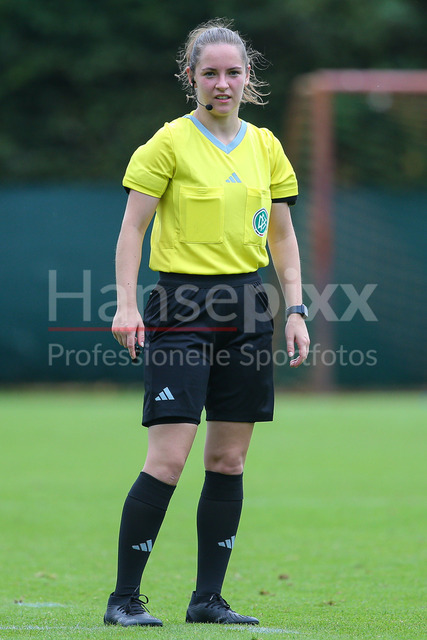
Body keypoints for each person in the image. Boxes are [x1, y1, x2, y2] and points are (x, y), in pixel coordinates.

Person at [104, 18, 309, 628]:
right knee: (168, 460)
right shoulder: (168, 142)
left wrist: (297, 310)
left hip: (247, 307)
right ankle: (124, 599)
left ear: (248, 78)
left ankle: (207, 600)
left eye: (233, 72)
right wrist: (125, 304)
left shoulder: (266, 146)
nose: (223, 83)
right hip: (181, 306)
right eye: (211, 73)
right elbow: (132, 228)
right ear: (190, 77)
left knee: (229, 461)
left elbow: (283, 237)